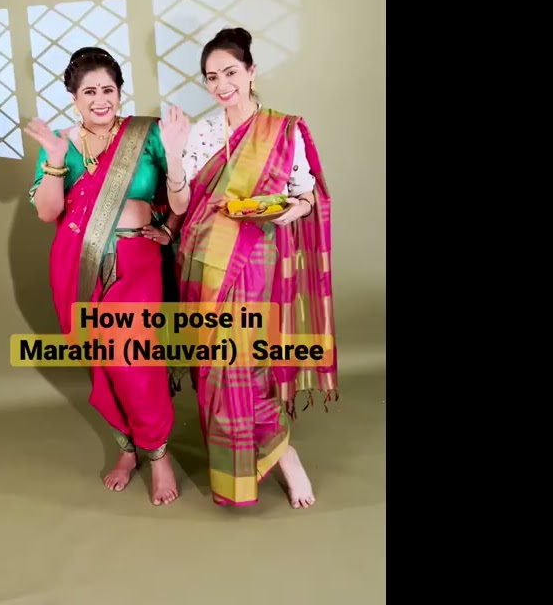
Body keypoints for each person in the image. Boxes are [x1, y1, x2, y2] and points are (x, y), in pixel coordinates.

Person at [172, 27, 338, 509]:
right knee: (215, 369)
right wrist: (176, 161)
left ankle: (284, 456)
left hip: (255, 258)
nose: (222, 85)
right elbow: (179, 204)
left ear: (251, 72)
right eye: (211, 78)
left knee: (247, 364)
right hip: (202, 260)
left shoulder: (282, 130)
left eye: (230, 73)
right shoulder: (203, 132)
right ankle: (235, 471)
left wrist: (294, 209)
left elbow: (307, 195)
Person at [23, 46, 191, 506]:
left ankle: (158, 455)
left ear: (120, 93)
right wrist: (56, 159)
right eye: (89, 91)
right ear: (74, 98)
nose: (101, 100)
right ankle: (127, 447)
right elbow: (48, 212)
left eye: (109, 90)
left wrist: (174, 157)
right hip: (78, 269)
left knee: (133, 360)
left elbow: (178, 204)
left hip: (136, 265)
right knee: (103, 362)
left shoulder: (147, 134)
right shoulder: (62, 142)